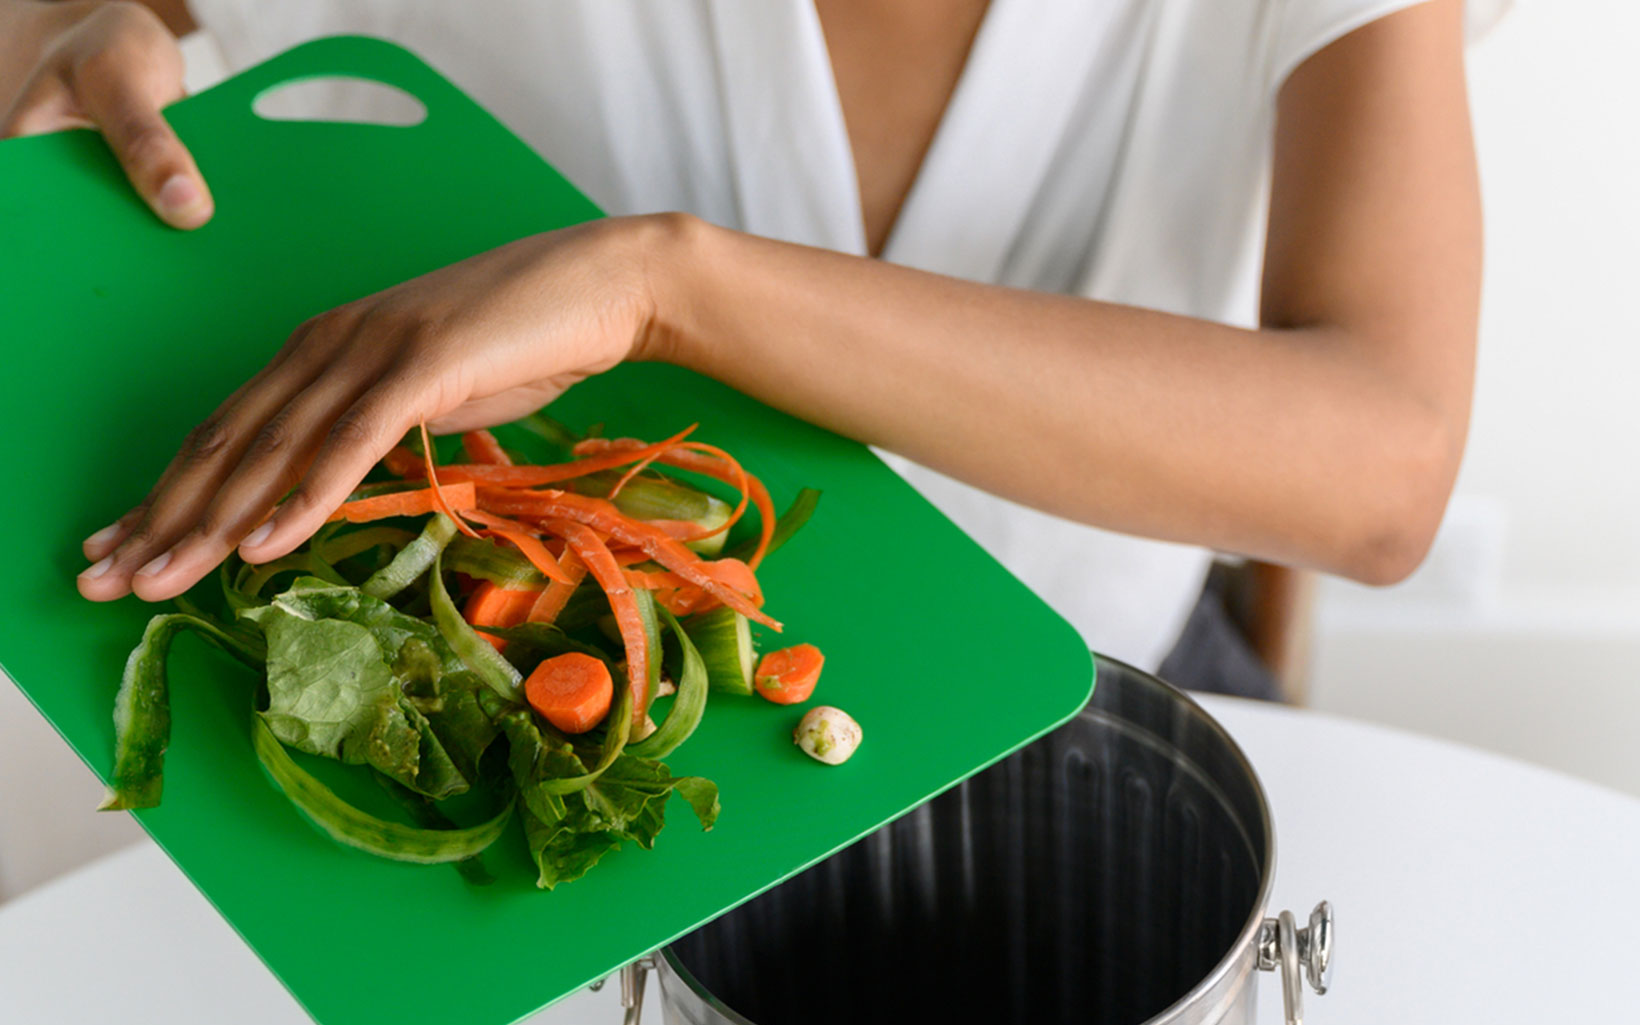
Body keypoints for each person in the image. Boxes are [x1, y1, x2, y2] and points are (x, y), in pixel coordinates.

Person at [2, 0, 1488, 686]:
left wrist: (673, 287)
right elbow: (106, 31)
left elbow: (1383, 467)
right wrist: (78, 38)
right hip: (576, 710)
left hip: (1118, 681)